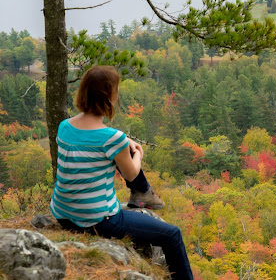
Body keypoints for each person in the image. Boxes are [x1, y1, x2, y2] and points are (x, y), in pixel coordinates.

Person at [50, 65, 193, 279]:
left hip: (63, 214)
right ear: (109, 96)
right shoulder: (112, 138)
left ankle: (143, 194)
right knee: (172, 235)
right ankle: (143, 193)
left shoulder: (64, 126)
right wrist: (138, 154)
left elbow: (89, 142)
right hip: (99, 219)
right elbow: (131, 174)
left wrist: (123, 141)